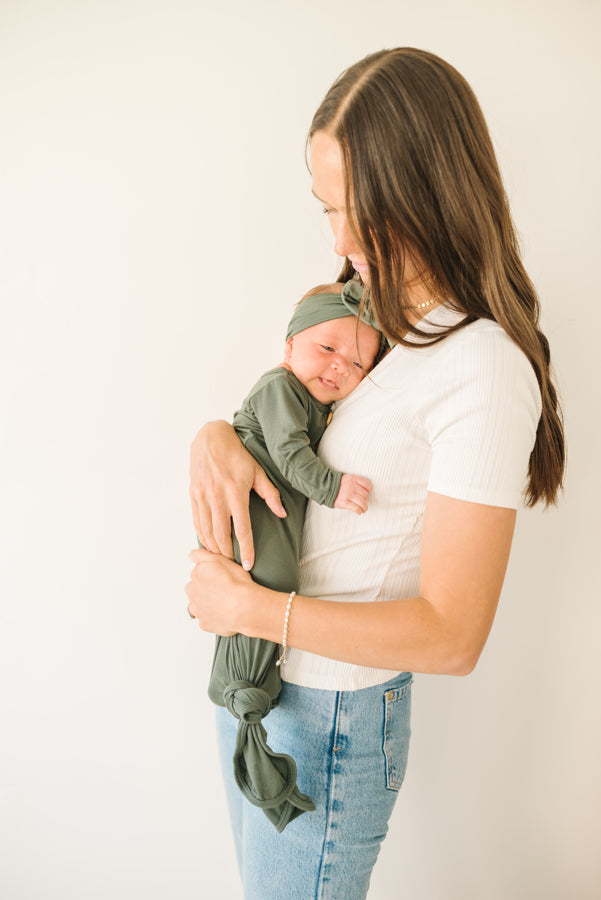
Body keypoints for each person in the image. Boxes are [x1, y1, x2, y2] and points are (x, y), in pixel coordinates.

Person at [185, 47, 565, 899]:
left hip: (331, 718)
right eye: (325, 210)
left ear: (425, 191)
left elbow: (452, 636)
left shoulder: (482, 365)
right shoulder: (379, 323)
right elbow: (286, 429)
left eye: (358, 211)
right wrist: (214, 435)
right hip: (265, 690)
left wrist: (252, 607)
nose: (339, 241)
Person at [205, 282, 383, 832]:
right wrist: (332, 488)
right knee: (270, 580)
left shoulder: (315, 405)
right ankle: (244, 688)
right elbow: (286, 452)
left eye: (357, 362)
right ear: (288, 347)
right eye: (327, 348)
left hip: (272, 514)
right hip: (257, 513)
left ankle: (245, 690)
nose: (338, 367)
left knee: (269, 584)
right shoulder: (281, 388)